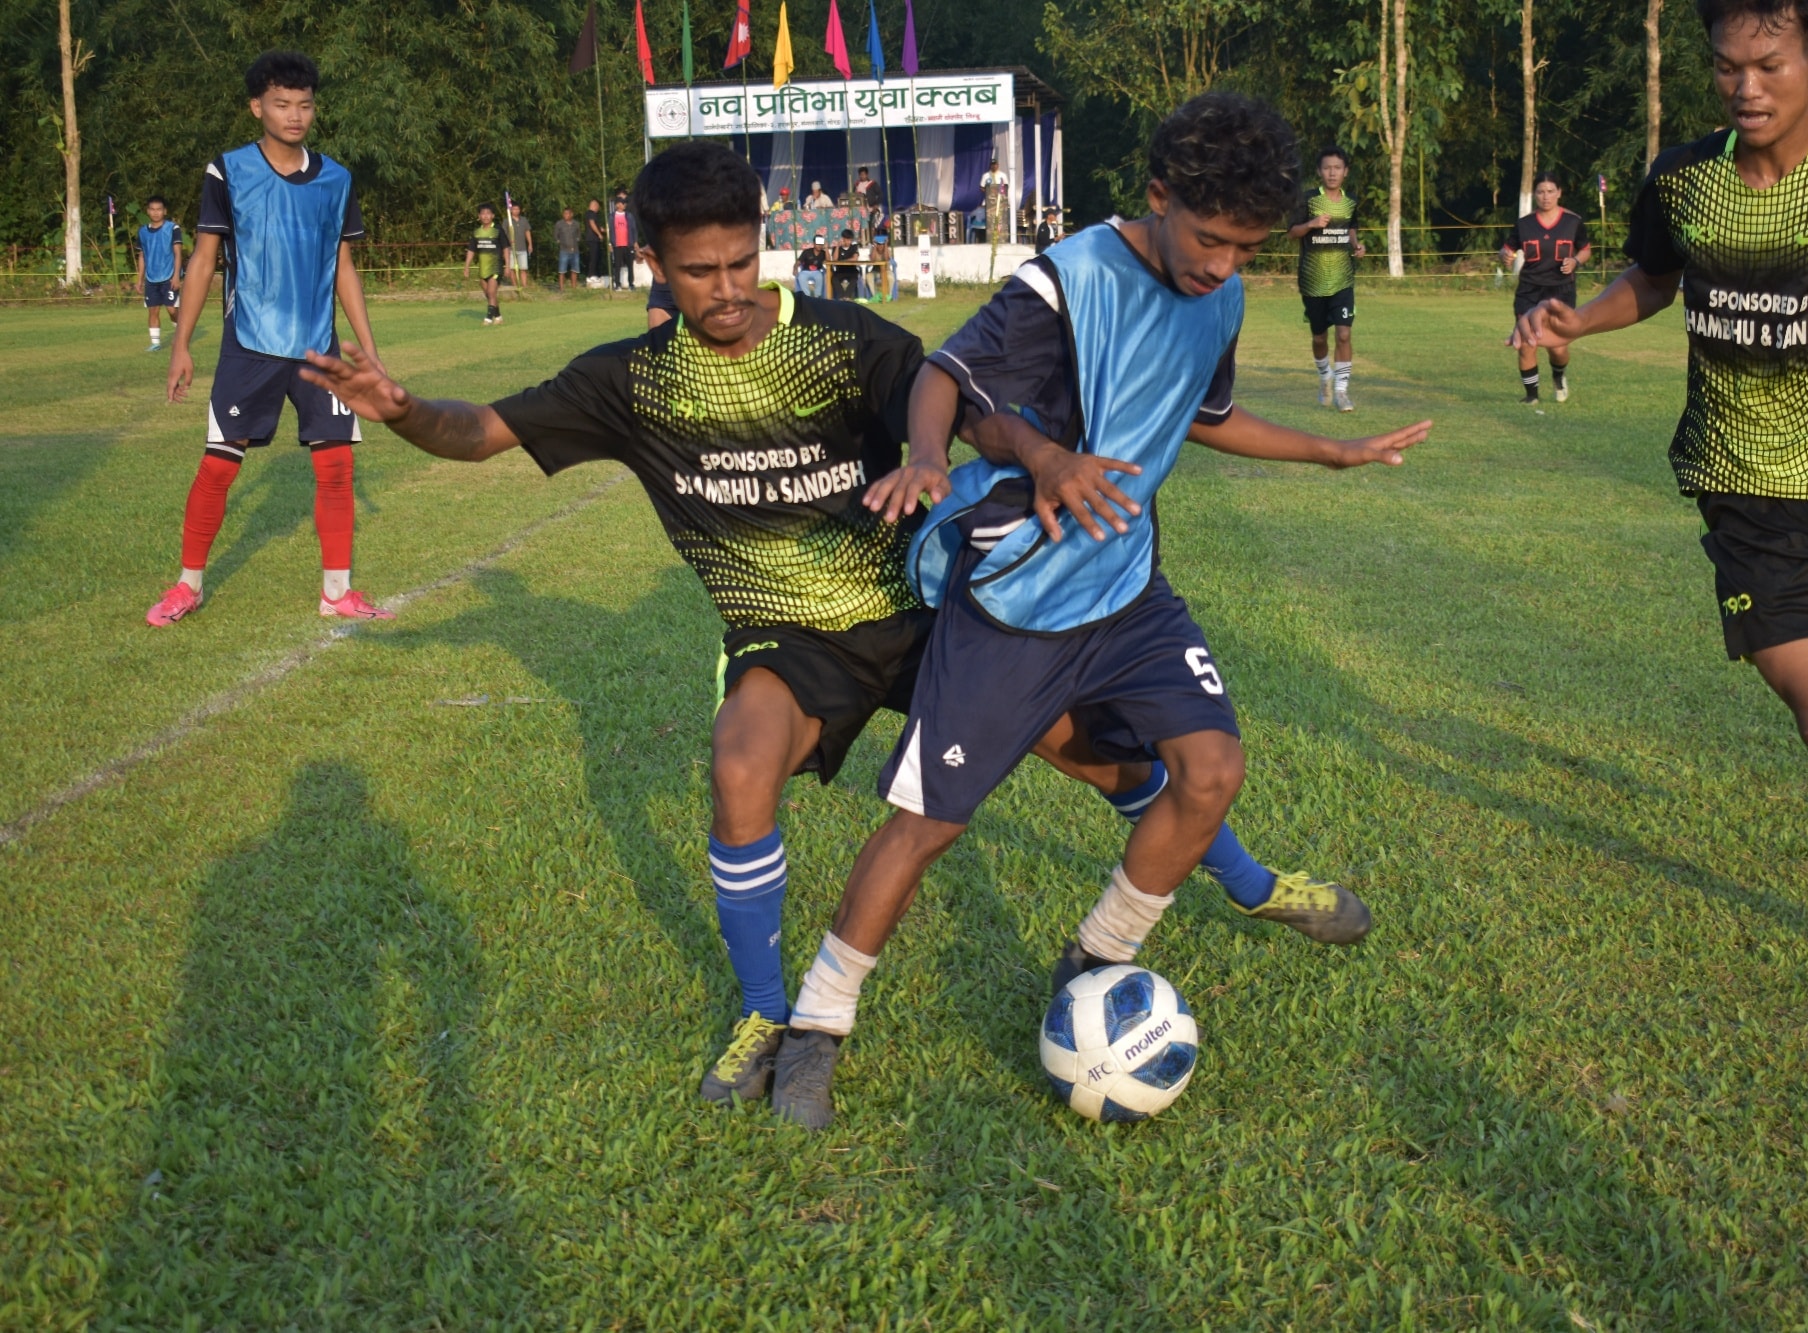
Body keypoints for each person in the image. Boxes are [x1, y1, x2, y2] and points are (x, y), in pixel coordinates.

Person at [299, 138, 1306, 1114]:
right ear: (653, 264)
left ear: (762, 241)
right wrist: (398, 409)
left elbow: (966, 407)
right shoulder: (630, 381)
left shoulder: (843, 341)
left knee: (1101, 761)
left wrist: (1013, 454)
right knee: (740, 762)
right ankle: (763, 1014)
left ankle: (1246, 877)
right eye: (699, 272)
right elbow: (481, 433)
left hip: (920, 610)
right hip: (792, 637)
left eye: (741, 261)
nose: (727, 288)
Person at [765, 92, 1432, 1130]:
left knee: (1208, 770)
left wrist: (1329, 449)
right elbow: (946, 377)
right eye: (1207, 238)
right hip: (1017, 603)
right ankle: (817, 1022)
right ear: (1157, 196)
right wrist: (940, 458)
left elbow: (1201, 413)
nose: (1220, 265)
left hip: (1126, 594)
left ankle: (1095, 959)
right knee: (926, 826)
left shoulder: (1221, 293)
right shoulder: (1068, 281)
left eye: (1245, 248)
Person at [1511, 0, 1808, 1030]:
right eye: (1726, 67)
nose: (1745, 87)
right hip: (1741, 490)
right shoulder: (1683, 178)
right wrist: (1577, 319)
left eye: (1767, 64)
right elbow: (1650, 275)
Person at [148, 49, 390, 628]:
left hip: (319, 349)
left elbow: (345, 267)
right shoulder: (228, 171)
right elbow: (204, 261)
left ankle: (337, 591)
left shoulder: (337, 178)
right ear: (257, 107)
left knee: (336, 469)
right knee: (220, 466)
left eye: (304, 105)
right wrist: (182, 346)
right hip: (250, 346)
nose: (294, 115)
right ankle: (188, 585)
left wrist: (371, 351)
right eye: (281, 104)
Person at [1502, 172, 1591, 406]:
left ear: (1559, 193)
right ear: (1535, 195)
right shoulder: (1524, 224)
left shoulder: (1573, 222)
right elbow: (1507, 248)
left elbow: (1585, 249)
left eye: (1551, 191)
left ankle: (1559, 377)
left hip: (1561, 290)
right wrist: (1506, 257)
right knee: (1527, 341)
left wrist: (1576, 262)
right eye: (1541, 191)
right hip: (1529, 291)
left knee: (1558, 347)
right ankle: (1531, 397)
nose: (1546, 196)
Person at [1287, 146, 1366, 410]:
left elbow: (1351, 229)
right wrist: (1311, 224)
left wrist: (1357, 246)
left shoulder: (1351, 201)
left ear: (1345, 172)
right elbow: (1291, 232)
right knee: (1319, 337)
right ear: (1320, 171)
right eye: (1327, 168)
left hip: (1343, 278)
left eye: (1337, 168)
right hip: (1313, 280)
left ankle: (1342, 392)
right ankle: (1324, 376)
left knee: (1344, 335)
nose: (1332, 172)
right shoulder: (1308, 200)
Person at [134, 195, 184, 351]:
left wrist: (176, 276)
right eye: (152, 209)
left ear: (165, 211)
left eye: (159, 209)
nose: (156, 213)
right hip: (151, 278)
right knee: (153, 310)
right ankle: (155, 343)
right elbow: (142, 256)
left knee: (171, 309)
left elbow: (177, 253)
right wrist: (140, 279)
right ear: (148, 211)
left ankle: (180, 335)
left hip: (169, 276)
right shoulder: (142, 232)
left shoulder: (172, 229)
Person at [465, 204, 506, 324]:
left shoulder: (498, 230)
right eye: (483, 213)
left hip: (496, 267)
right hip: (483, 268)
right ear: (479, 216)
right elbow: (471, 250)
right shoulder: (477, 232)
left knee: (491, 292)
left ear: (492, 216)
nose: (485, 216)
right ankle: (498, 317)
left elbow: (506, 248)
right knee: (488, 294)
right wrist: (466, 266)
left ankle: (488, 319)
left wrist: (507, 265)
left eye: (488, 213)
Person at [504, 200, 532, 295]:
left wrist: (530, 244)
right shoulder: (507, 221)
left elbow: (527, 232)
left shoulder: (524, 220)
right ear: (511, 210)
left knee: (523, 268)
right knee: (512, 268)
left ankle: (524, 285)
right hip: (511, 248)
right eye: (514, 209)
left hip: (522, 247)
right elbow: (503, 234)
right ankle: (514, 285)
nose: (516, 210)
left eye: (517, 209)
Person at [554, 206, 582, 291]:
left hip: (575, 250)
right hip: (564, 250)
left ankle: (574, 288)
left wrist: (577, 240)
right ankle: (561, 289)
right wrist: (559, 241)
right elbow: (555, 235)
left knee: (575, 270)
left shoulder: (576, 224)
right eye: (564, 213)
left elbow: (579, 235)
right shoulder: (559, 224)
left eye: (567, 213)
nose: (565, 215)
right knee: (562, 270)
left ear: (571, 214)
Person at [610, 197, 635, 289]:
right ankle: (617, 284)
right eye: (621, 203)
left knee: (630, 265)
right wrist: (610, 243)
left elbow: (633, 230)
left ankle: (631, 284)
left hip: (628, 244)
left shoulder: (629, 216)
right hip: (617, 245)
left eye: (624, 203)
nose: (623, 205)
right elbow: (610, 231)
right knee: (617, 266)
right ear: (617, 205)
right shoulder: (612, 216)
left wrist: (634, 242)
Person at [794, 232, 828, 298]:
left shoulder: (823, 253)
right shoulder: (807, 252)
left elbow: (829, 261)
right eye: (817, 244)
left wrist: (826, 249)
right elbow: (798, 262)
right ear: (814, 244)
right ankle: (807, 296)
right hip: (805, 271)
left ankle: (817, 296)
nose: (819, 246)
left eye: (821, 244)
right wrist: (795, 268)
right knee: (801, 277)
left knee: (820, 277)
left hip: (817, 272)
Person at [832, 227, 861, 300]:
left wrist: (842, 261)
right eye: (846, 239)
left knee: (854, 278)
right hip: (840, 271)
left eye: (850, 240)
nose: (848, 242)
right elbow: (835, 259)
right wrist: (838, 247)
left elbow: (855, 258)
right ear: (843, 239)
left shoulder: (854, 247)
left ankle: (847, 296)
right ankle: (842, 296)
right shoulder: (836, 248)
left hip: (851, 270)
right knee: (834, 279)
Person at [584, 198, 606, 281]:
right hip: (592, 238)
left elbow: (597, 226)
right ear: (594, 206)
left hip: (594, 239)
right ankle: (591, 275)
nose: (598, 209)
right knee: (593, 257)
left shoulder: (592, 214)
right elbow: (592, 224)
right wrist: (599, 234)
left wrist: (604, 230)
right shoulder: (591, 213)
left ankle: (595, 274)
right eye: (598, 207)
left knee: (597, 257)